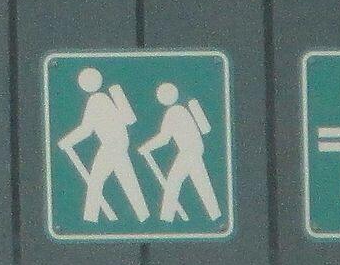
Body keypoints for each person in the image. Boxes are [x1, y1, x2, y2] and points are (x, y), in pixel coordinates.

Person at [56, 67, 148, 223]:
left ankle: (90, 220)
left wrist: (67, 141)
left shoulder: (96, 100)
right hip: (120, 143)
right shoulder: (105, 98)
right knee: (127, 180)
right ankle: (143, 216)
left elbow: (86, 129)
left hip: (112, 145)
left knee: (95, 181)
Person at [138, 79, 222, 224]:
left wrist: (146, 147)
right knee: (201, 183)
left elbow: (164, 138)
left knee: (173, 182)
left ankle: (166, 219)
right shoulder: (182, 110)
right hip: (194, 150)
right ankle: (215, 215)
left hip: (188, 151)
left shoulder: (174, 112)